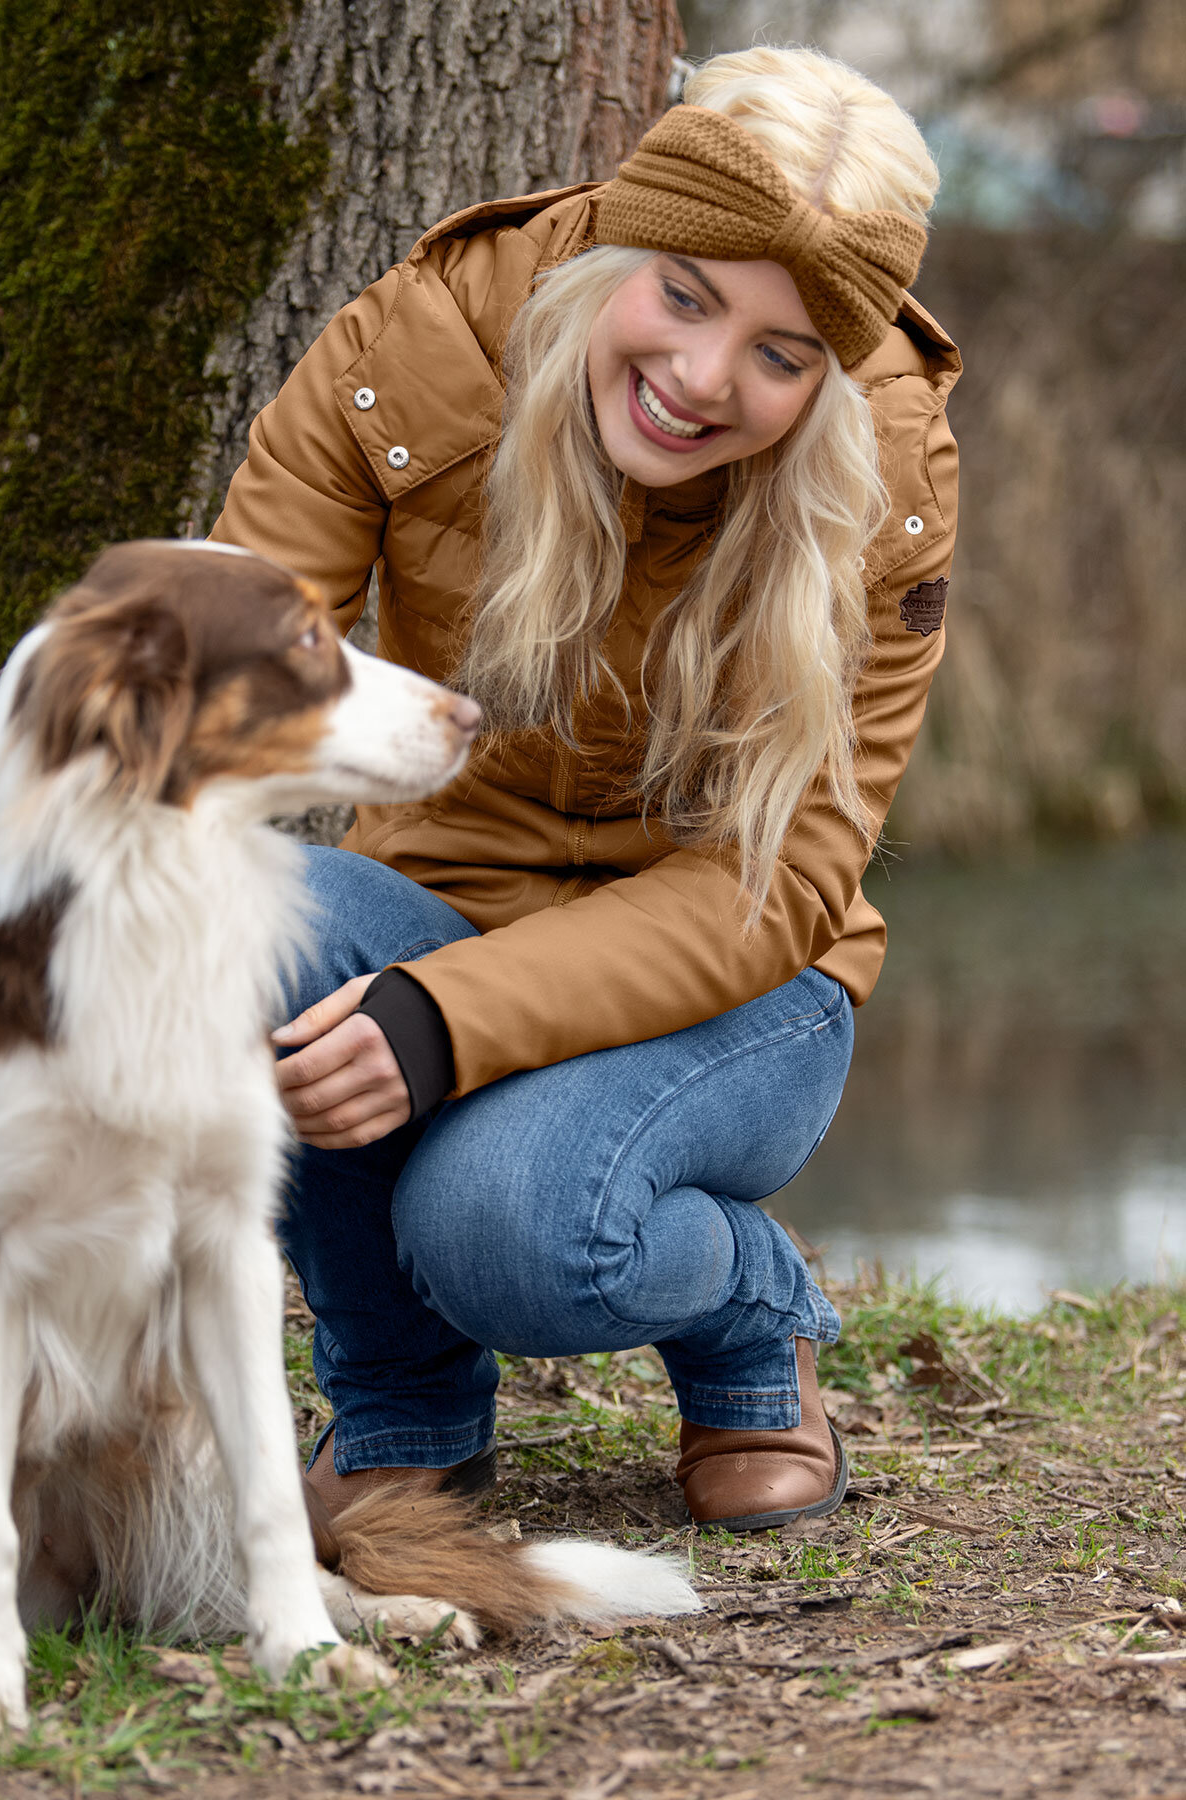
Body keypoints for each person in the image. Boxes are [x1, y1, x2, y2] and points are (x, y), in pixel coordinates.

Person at [210, 45, 959, 1533]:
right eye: (680, 294)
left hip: (738, 987)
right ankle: (406, 1412)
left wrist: (444, 1023)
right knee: (231, 927)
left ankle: (754, 1325)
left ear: (830, 372)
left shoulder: (885, 466)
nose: (700, 379)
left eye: (780, 351)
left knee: (505, 1229)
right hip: (437, 902)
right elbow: (222, 675)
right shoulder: (416, 347)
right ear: (620, 238)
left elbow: (783, 877)